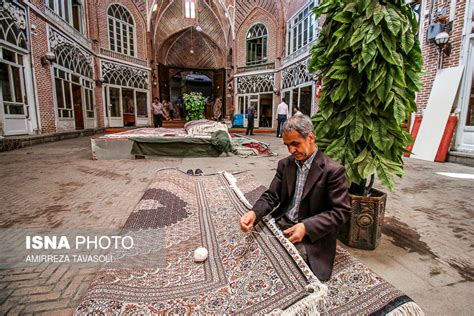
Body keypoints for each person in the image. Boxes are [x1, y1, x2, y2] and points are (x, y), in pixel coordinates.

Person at [239, 115, 351, 281]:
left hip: (312, 234)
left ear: (311, 137)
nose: (291, 150)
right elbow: (271, 196)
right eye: (287, 145)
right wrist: (254, 213)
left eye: (295, 144)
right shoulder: (285, 165)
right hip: (283, 222)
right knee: (254, 258)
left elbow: (341, 212)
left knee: (294, 275)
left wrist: (306, 227)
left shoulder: (332, 171)